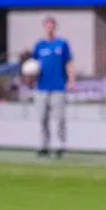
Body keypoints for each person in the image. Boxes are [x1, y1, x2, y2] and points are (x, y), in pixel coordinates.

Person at [32, 17, 75, 158]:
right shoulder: (39, 45)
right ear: (44, 27)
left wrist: (71, 80)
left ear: (55, 27)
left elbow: (68, 63)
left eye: (52, 25)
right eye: (47, 25)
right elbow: (33, 65)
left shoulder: (62, 44)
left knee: (59, 118)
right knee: (42, 118)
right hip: (42, 87)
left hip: (58, 86)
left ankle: (60, 145)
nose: (49, 28)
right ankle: (44, 145)